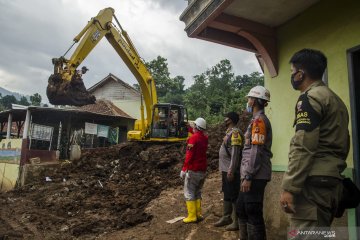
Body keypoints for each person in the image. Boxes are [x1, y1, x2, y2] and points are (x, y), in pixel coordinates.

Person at [280, 49, 350, 230]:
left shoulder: (309, 99)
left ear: (300, 74)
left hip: (313, 185)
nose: (292, 76)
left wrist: (290, 187)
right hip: (331, 183)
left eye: (292, 72)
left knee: (303, 234)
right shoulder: (336, 101)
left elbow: (304, 146)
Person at [237, 86, 272, 239]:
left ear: (257, 101)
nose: (248, 101)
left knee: (252, 211)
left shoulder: (259, 122)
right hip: (250, 173)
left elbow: (256, 150)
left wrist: (248, 176)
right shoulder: (254, 120)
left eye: (250, 98)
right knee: (241, 208)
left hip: (256, 174)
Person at [214, 112, 243, 231]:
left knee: (234, 195)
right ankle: (226, 217)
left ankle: (236, 222)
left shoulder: (235, 133)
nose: (224, 119)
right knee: (227, 193)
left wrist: (231, 170)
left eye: (226, 118)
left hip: (231, 170)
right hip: (225, 169)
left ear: (230, 120)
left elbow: (235, 154)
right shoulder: (229, 132)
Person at [180, 117, 209, 223]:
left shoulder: (193, 139)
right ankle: (198, 214)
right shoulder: (205, 138)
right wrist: (190, 128)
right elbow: (198, 134)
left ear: (196, 127)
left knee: (189, 192)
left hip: (193, 170)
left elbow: (189, 155)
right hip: (202, 170)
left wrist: (184, 169)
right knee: (197, 192)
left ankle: (192, 216)